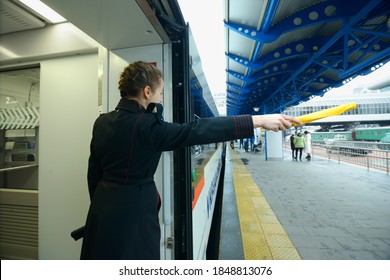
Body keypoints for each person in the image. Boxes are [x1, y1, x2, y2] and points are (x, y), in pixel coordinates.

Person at [80, 61, 301, 260]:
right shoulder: (148, 127)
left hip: (101, 210)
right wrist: (259, 120)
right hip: (134, 216)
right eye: (161, 93)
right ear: (147, 92)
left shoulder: (101, 122)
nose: (161, 99)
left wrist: (101, 205)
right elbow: (199, 130)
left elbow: (93, 173)